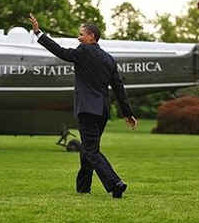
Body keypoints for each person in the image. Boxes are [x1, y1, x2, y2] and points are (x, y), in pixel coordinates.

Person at [29, 14, 137, 198]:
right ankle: (83, 187)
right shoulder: (109, 59)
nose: (78, 38)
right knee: (89, 148)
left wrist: (39, 33)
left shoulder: (82, 52)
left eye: (81, 34)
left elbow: (61, 52)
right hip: (102, 111)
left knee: (90, 150)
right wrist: (128, 114)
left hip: (87, 110)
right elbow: (119, 88)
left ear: (91, 37)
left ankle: (115, 183)